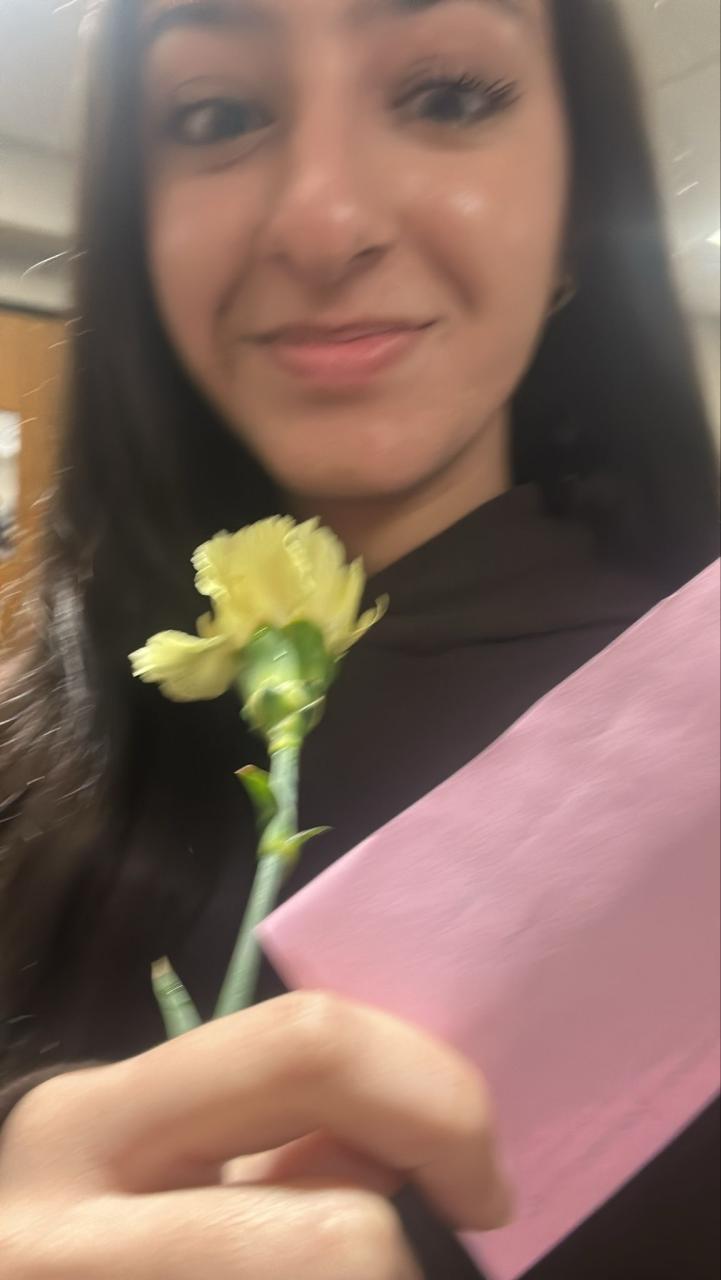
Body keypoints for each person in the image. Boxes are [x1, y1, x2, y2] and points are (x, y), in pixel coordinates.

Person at [0, 0, 718, 1275]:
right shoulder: (25, 743)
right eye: (218, 113)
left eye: (445, 96)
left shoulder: (692, 733)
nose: (323, 223)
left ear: (573, 211)